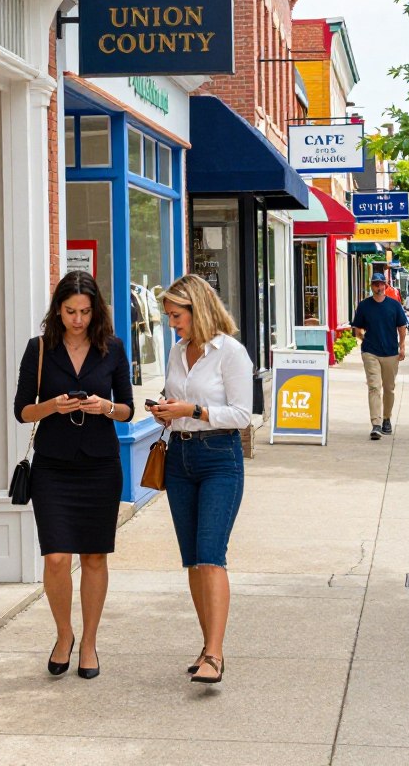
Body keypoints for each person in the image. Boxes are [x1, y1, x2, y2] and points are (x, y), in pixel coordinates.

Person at [13, 271, 134, 680]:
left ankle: (90, 642)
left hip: (101, 464)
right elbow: (22, 411)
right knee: (57, 557)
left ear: (95, 310)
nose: (78, 319)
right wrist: (53, 406)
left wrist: (106, 407)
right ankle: (64, 635)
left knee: (95, 556)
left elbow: (129, 408)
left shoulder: (113, 348)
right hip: (54, 466)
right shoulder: (40, 349)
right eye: (70, 312)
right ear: (58, 310)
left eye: (84, 311)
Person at [151, 274, 253, 685]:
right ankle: (206, 644)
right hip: (180, 457)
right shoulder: (178, 352)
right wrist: (165, 409)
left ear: (198, 309)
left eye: (177, 316)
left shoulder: (230, 352)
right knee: (192, 560)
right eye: (170, 317)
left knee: (211, 555)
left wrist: (193, 410)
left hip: (219, 458)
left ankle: (215, 653)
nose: (173, 324)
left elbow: (243, 415)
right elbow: (177, 397)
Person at [352, 272, 407, 440]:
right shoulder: (364, 306)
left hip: (390, 352)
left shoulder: (394, 305)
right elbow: (357, 327)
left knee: (389, 388)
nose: (378, 287)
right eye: (375, 284)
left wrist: (402, 345)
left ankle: (386, 419)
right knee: (374, 386)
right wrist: (362, 337)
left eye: (381, 284)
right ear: (371, 286)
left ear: (385, 286)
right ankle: (376, 424)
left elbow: (402, 326)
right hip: (370, 351)